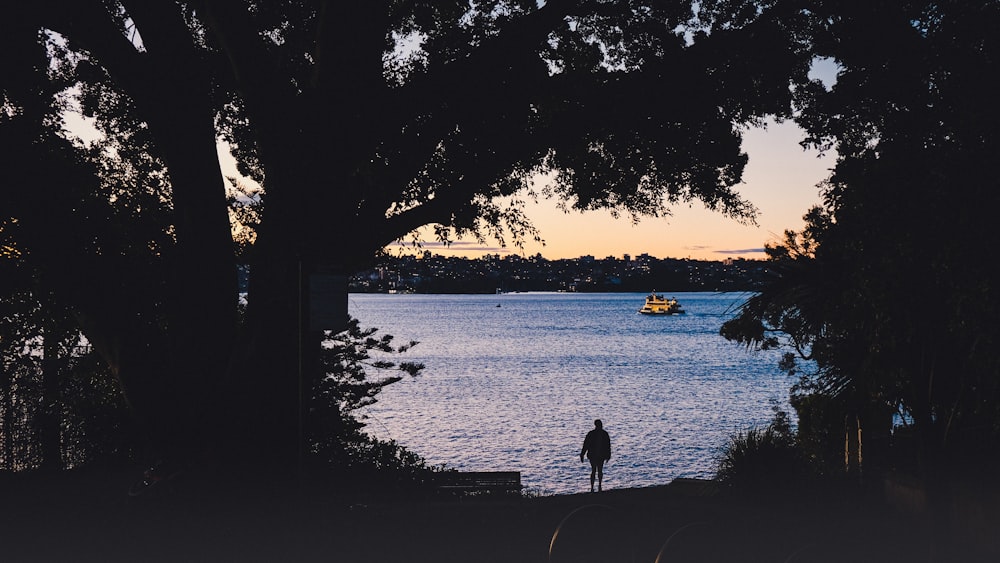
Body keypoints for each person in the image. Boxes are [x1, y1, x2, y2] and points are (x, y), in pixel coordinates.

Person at [580, 419, 611, 492]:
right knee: (598, 470)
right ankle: (597, 486)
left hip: (595, 455)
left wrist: (582, 454)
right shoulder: (604, 434)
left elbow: (585, 445)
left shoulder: (592, 434)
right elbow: (608, 446)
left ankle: (595, 487)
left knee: (595, 470)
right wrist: (608, 455)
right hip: (597, 455)